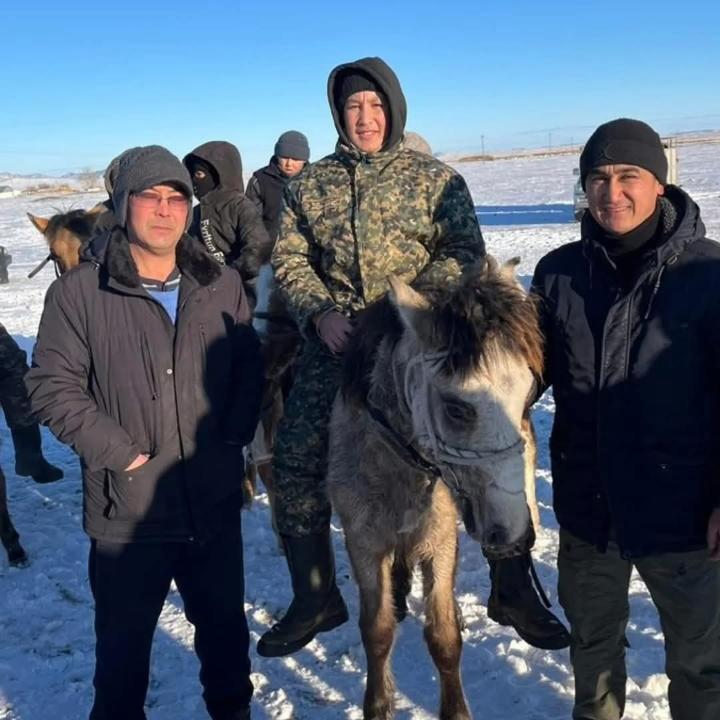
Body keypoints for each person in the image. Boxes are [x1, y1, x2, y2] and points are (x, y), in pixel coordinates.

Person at [258, 55, 568, 658]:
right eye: (353, 106)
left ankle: (511, 583)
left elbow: (464, 250)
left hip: (422, 340)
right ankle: (315, 593)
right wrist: (320, 314)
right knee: (294, 457)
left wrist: (412, 307)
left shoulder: (435, 179)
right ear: (338, 114)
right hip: (339, 342)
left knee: (488, 441)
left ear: (394, 110)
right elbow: (290, 261)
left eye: (376, 105)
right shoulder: (309, 186)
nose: (365, 117)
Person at [26, 145, 264, 720]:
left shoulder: (221, 283)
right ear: (122, 205)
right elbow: (51, 386)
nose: (164, 209)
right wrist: (122, 454)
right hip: (128, 514)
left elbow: (247, 366)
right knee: (122, 662)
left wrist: (231, 439)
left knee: (228, 652)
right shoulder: (80, 293)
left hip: (211, 505)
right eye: (149, 196)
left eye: (176, 197)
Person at [532, 118, 720, 720]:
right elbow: (524, 371)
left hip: (686, 518)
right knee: (592, 654)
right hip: (589, 509)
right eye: (598, 178)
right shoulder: (558, 273)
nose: (611, 192)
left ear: (659, 184)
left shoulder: (708, 274)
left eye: (628, 176)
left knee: (702, 665)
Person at [183, 141, 272, 303]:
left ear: (219, 174)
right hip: (208, 291)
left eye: (199, 175)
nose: (194, 182)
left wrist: (229, 274)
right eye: (192, 176)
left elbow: (258, 249)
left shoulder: (240, 206)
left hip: (245, 291)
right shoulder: (197, 212)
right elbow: (192, 251)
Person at [246, 131, 310, 244]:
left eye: (295, 159)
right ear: (277, 155)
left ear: (304, 160)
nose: (289, 164)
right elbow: (250, 222)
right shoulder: (260, 180)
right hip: (268, 248)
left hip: (307, 248)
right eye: (284, 157)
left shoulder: (315, 181)